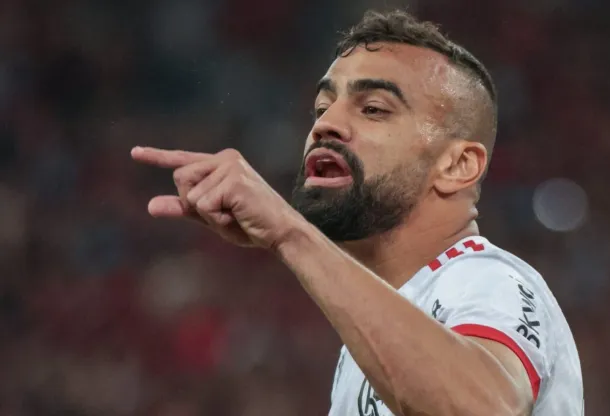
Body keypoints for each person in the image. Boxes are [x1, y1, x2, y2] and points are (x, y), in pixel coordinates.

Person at [131, 10, 583, 416]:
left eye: (373, 109)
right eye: (322, 107)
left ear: (457, 166)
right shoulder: (377, 335)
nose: (324, 124)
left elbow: (486, 410)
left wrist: (290, 232)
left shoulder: (487, 280)